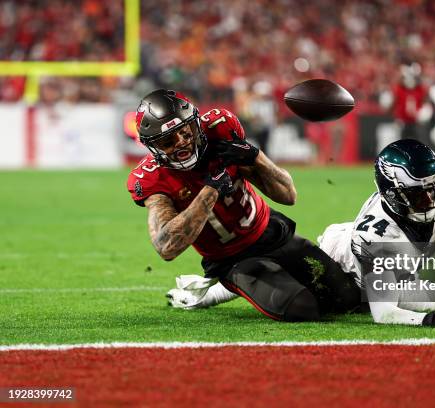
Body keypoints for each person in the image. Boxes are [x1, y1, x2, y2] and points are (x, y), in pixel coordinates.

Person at [178, 139, 435, 327]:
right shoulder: (376, 238)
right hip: (347, 261)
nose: (430, 198)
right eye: (418, 192)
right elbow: (385, 314)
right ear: (393, 192)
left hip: (388, 260)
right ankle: (206, 292)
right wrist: (427, 322)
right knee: (332, 297)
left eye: (432, 188)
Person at [127, 89, 360, 321]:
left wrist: (255, 156)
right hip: (233, 259)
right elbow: (167, 247)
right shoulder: (152, 178)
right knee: (302, 308)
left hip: (271, 232)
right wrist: (211, 191)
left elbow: (289, 195)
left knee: (348, 299)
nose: (181, 144)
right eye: (168, 141)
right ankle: (226, 287)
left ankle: (331, 245)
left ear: (195, 123)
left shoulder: (220, 129)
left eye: (185, 132)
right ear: (153, 147)